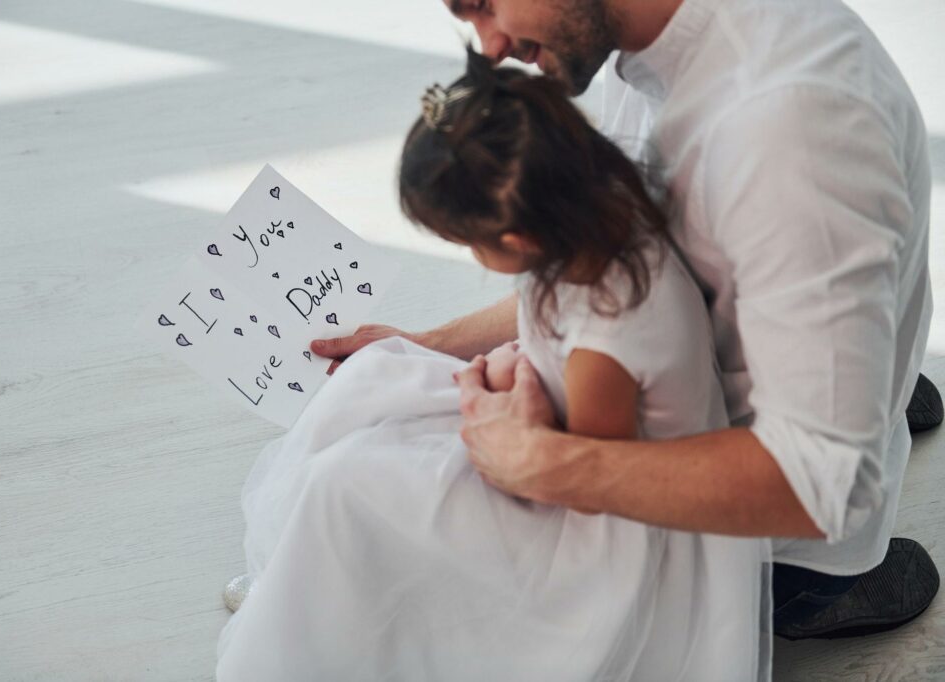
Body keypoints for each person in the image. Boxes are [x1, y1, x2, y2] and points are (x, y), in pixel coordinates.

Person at [312, 0, 940, 639]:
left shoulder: (789, 135)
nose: (491, 46)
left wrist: (539, 462)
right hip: (720, 351)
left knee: (366, 497)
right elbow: (594, 255)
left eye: (484, 3)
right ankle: (837, 362)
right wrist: (431, 344)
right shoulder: (625, 32)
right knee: (384, 413)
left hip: (784, 520)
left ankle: (827, 587)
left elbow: (827, 483)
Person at [217, 51, 771, 680]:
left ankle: (317, 616)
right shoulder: (594, 212)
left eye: (468, 243)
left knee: (346, 486)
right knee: (377, 379)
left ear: (518, 242)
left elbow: (589, 480)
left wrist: (506, 403)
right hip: (545, 409)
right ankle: (302, 584)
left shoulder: (609, 337)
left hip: (592, 518)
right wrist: (468, 357)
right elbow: (547, 324)